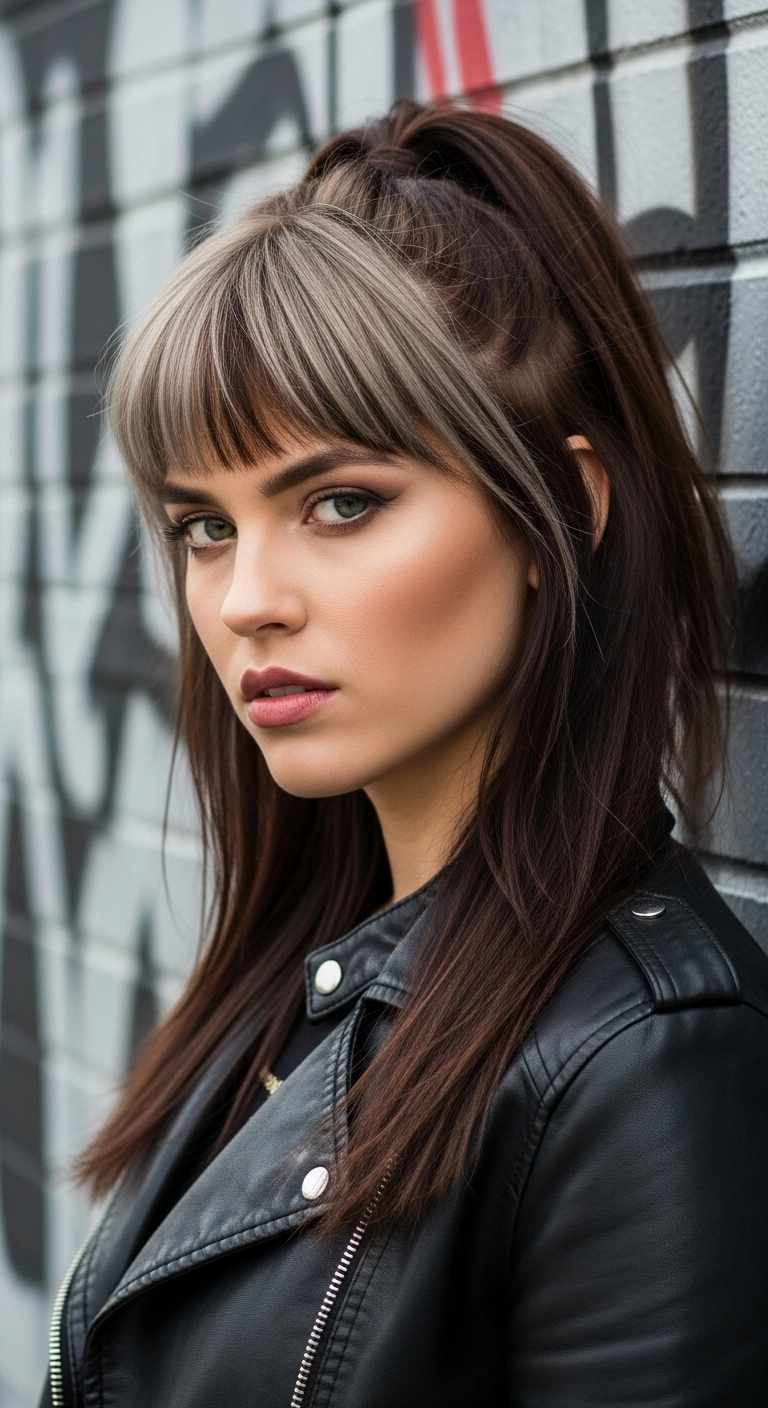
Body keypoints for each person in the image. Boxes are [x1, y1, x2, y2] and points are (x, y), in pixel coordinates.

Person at [43, 101, 768, 1408]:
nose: (245, 598)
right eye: (204, 526)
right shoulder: (305, 973)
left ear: (564, 509)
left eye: (340, 503)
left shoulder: (645, 1070)